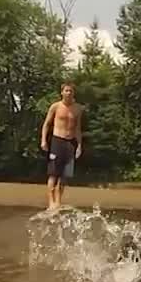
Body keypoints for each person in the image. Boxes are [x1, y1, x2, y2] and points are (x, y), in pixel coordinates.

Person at [40, 82, 83, 210]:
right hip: (57, 140)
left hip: (70, 143)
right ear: (62, 92)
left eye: (71, 91)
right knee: (53, 173)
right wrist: (43, 140)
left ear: (73, 93)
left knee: (64, 175)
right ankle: (51, 201)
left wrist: (79, 146)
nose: (69, 93)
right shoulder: (55, 107)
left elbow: (78, 129)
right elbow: (46, 124)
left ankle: (58, 201)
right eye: (66, 90)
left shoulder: (77, 109)